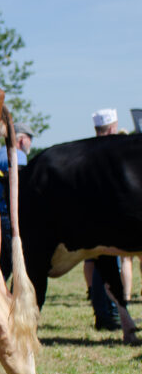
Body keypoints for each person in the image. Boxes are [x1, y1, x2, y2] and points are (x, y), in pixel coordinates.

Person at [85, 108, 131, 332]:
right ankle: (111, 312)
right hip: (112, 217)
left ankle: (103, 314)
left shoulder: (87, 150)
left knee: (97, 266)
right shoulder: (115, 150)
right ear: (113, 127)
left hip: (92, 216)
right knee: (113, 265)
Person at [0, 121, 33, 280]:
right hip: (9, 217)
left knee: (0, 263)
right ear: (22, 139)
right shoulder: (18, 155)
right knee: (11, 263)